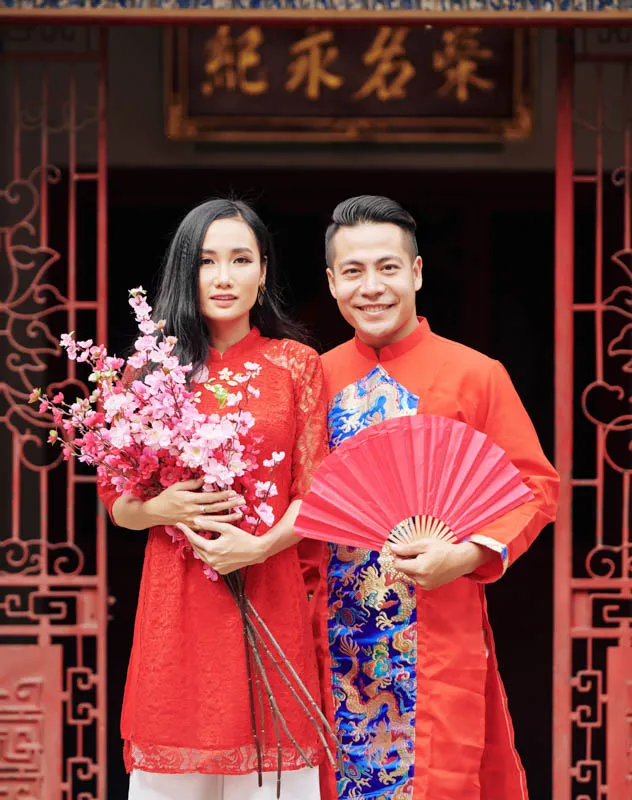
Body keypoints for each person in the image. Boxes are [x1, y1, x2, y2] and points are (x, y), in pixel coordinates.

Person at [315, 195, 560, 800]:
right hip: (329, 641)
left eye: (388, 268)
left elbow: (533, 487)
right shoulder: (312, 380)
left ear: (417, 272)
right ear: (331, 283)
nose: (372, 287)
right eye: (353, 271)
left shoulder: (477, 375)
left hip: (436, 638)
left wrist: (469, 555)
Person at [98, 199, 329, 800]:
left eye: (240, 259)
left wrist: (261, 546)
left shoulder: (296, 366)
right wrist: (161, 508)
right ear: (185, 270)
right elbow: (118, 504)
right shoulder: (148, 370)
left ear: (264, 272)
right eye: (206, 261)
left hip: (269, 594)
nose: (223, 277)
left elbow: (317, 491)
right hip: (178, 609)